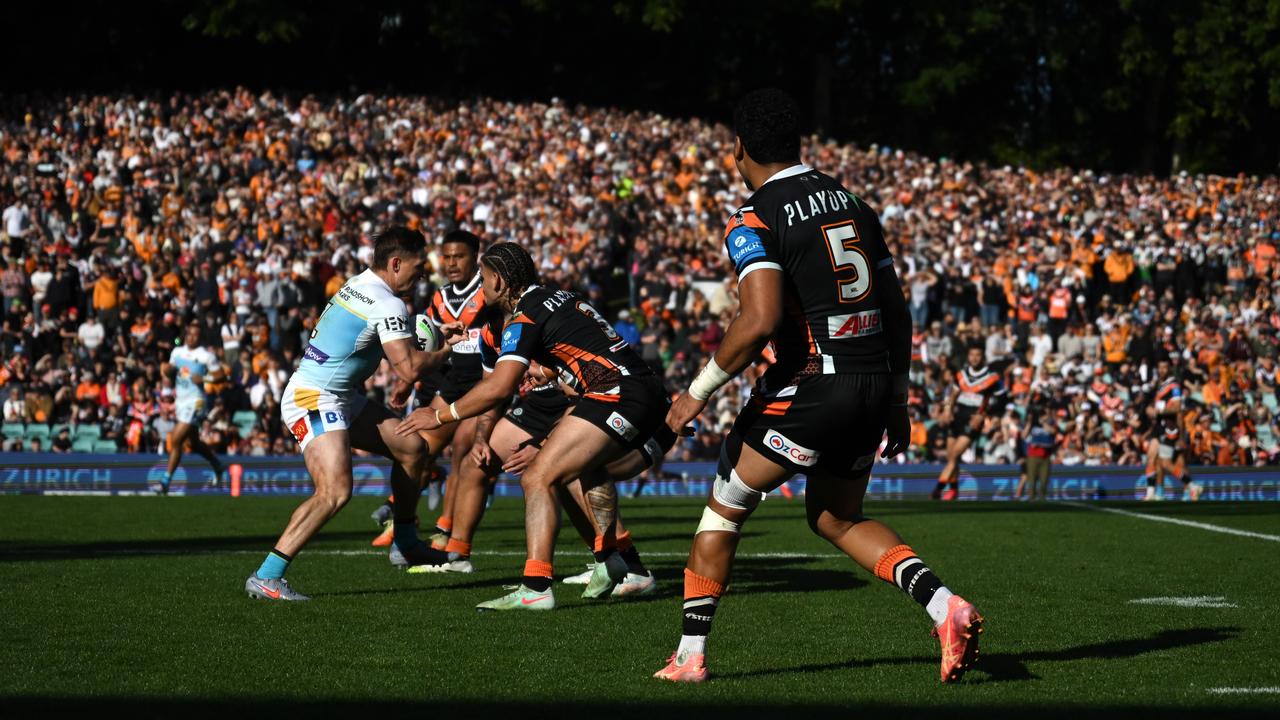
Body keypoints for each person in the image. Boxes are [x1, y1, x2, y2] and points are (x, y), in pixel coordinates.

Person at [653, 89, 982, 684]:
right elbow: (897, 309)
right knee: (835, 517)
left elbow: (757, 322)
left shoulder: (755, 216)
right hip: (871, 382)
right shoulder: (853, 203)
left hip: (811, 386)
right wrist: (899, 398)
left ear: (739, 150)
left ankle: (689, 657)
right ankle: (945, 607)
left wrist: (694, 392)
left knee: (723, 511)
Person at [397, 242, 675, 610]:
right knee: (579, 471)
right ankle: (621, 565)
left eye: (483, 280)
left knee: (538, 476)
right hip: (637, 389)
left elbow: (499, 386)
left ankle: (536, 587)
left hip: (617, 393)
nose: (480, 288)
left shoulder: (525, 315)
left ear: (499, 280)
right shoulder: (559, 297)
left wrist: (437, 416)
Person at [244, 226, 458, 601]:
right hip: (315, 397)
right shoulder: (388, 302)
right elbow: (408, 367)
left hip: (336, 394)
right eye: (418, 266)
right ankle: (267, 576)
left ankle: (405, 542)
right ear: (395, 263)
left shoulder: (361, 284)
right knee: (335, 491)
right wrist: (446, 350)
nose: (422, 274)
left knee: (412, 448)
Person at [410, 360, 657, 598]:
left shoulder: (538, 322)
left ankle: (628, 564)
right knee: (474, 464)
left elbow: (582, 394)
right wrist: (481, 439)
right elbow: (492, 391)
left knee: (574, 471)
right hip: (537, 408)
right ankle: (458, 556)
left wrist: (544, 444)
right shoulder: (490, 335)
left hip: (579, 408)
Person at [370, 230, 496, 550]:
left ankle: (443, 532)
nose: (452, 263)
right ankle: (404, 515)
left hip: (481, 378)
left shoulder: (489, 293)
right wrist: (409, 380)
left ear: (475, 258)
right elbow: (429, 342)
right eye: (447, 257)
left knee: (464, 452)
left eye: (460, 256)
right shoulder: (439, 297)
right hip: (447, 376)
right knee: (419, 448)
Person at [932, 344, 1008, 501]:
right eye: (972, 354)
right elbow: (952, 394)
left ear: (983, 357)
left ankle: (937, 491)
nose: (974, 358)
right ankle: (953, 491)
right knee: (951, 457)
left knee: (954, 456)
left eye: (978, 355)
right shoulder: (961, 374)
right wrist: (947, 410)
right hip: (957, 417)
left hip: (974, 419)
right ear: (968, 356)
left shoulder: (992, 377)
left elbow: (1002, 400)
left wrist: (984, 415)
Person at [158, 321, 227, 494]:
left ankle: (165, 481)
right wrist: (167, 370)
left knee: (176, 439)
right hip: (180, 400)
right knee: (193, 443)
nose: (191, 337)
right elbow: (172, 371)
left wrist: (205, 379)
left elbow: (221, 376)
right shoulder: (177, 352)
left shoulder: (206, 356)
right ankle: (217, 465)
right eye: (189, 334)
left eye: (195, 335)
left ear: (200, 337)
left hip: (196, 401)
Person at [1141, 360, 1202, 501]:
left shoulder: (1174, 385)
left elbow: (1178, 407)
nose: (1162, 370)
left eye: (1165, 367)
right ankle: (1151, 493)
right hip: (1159, 426)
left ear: (1169, 369)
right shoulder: (1159, 385)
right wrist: (1149, 409)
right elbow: (1154, 406)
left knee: (1167, 463)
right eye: (1160, 367)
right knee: (1151, 458)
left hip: (1169, 428)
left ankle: (1191, 486)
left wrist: (1159, 411)